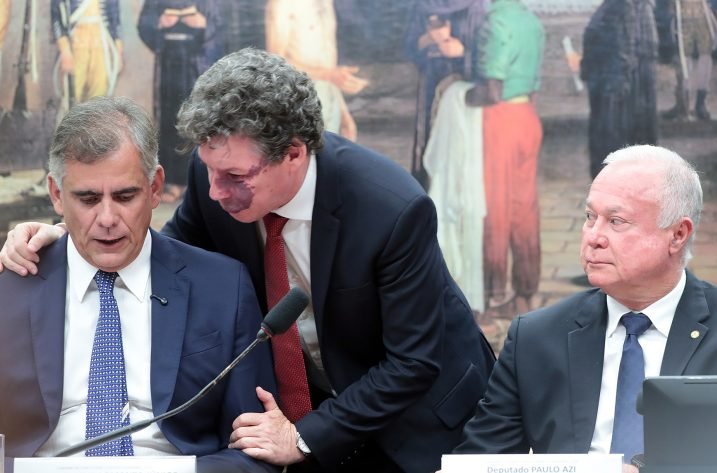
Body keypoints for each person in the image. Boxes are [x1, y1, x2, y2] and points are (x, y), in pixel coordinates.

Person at [0, 48, 496, 473]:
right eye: (209, 169)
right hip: (309, 411)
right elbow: (162, 259)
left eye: (235, 177)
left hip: (420, 419)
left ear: (294, 154)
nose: (216, 192)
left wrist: (304, 438)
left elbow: (412, 362)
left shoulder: (390, 209)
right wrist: (66, 239)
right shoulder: (215, 175)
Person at [0, 96, 279, 473]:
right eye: (87, 198)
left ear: (155, 187)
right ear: (56, 194)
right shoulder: (11, 285)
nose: (107, 218)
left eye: (125, 196)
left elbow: (256, 453)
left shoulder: (223, 287)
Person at [451, 145, 717, 471]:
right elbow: (479, 461)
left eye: (616, 221)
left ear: (677, 235)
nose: (594, 237)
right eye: (590, 217)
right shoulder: (536, 337)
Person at [465, 0, 544, 318]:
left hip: (500, 121)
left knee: (494, 209)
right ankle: (525, 294)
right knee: (524, 209)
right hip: (527, 116)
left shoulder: (494, 22)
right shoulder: (531, 21)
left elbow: (492, 91)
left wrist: (458, 94)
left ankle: (493, 296)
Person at [138, 0, 223, 203]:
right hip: (169, 62)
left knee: (199, 121)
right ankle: (173, 182)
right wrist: (159, 22)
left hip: (198, 62)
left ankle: (197, 182)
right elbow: (144, 23)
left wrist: (204, 24)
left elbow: (222, 27)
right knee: (170, 121)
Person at [404, 0, 488, 189]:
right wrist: (428, 39)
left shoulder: (476, 7)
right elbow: (410, 47)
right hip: (430, 86)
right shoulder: (424, 4)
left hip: (464, 88)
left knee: (461, 146)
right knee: (429, 143)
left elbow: (490, 53)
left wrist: (463, 52)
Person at [265, 0, 368, 141]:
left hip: (329, 109)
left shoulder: (326, 2)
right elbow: (276, 63)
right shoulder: (283, 3)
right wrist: (329, 76)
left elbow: (329, 67)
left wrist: (344, 114)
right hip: (299, 110)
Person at [580, 0, 659, 179]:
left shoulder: (624, 6)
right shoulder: (625, 6)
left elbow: (628, 49)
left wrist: (616, 86)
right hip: (616, 85)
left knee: (613, 142)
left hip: (616, 88)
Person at [51, 0, 123, 110]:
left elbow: (115, 19)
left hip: (101, 43)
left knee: (99, 97)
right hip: (75, 43)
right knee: (72, 96)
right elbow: (56, 17)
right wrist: (64, 50)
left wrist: (118, 52)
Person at [662, 0, 717, 120]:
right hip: (682, 14)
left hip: (704, 14)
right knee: (684, 57)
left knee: (705, 55)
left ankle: (701, 103)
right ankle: (683, 103)